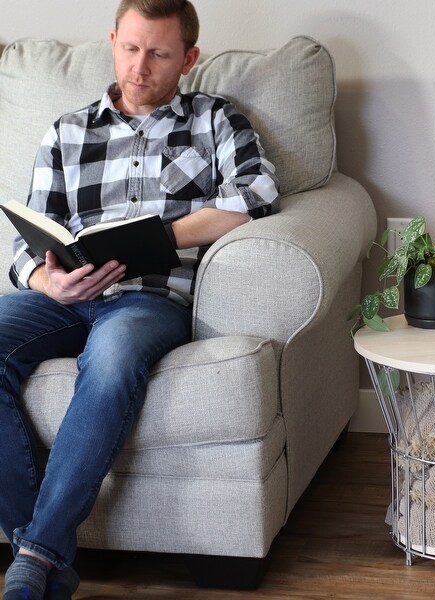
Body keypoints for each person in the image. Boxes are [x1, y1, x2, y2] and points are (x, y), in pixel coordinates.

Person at [0, 1, 279, 598]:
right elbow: (25, 243)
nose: (139, 67)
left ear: (189, 58)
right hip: (67, 297)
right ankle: (38, 548)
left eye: (159, 53)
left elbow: (257, 195)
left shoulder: (215, 120)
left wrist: (164, 238)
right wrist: (50, 281)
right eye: (130, 48)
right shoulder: (66, 131)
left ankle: (34, 557)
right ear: (113, 42)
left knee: (113, 357)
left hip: (148, 300)